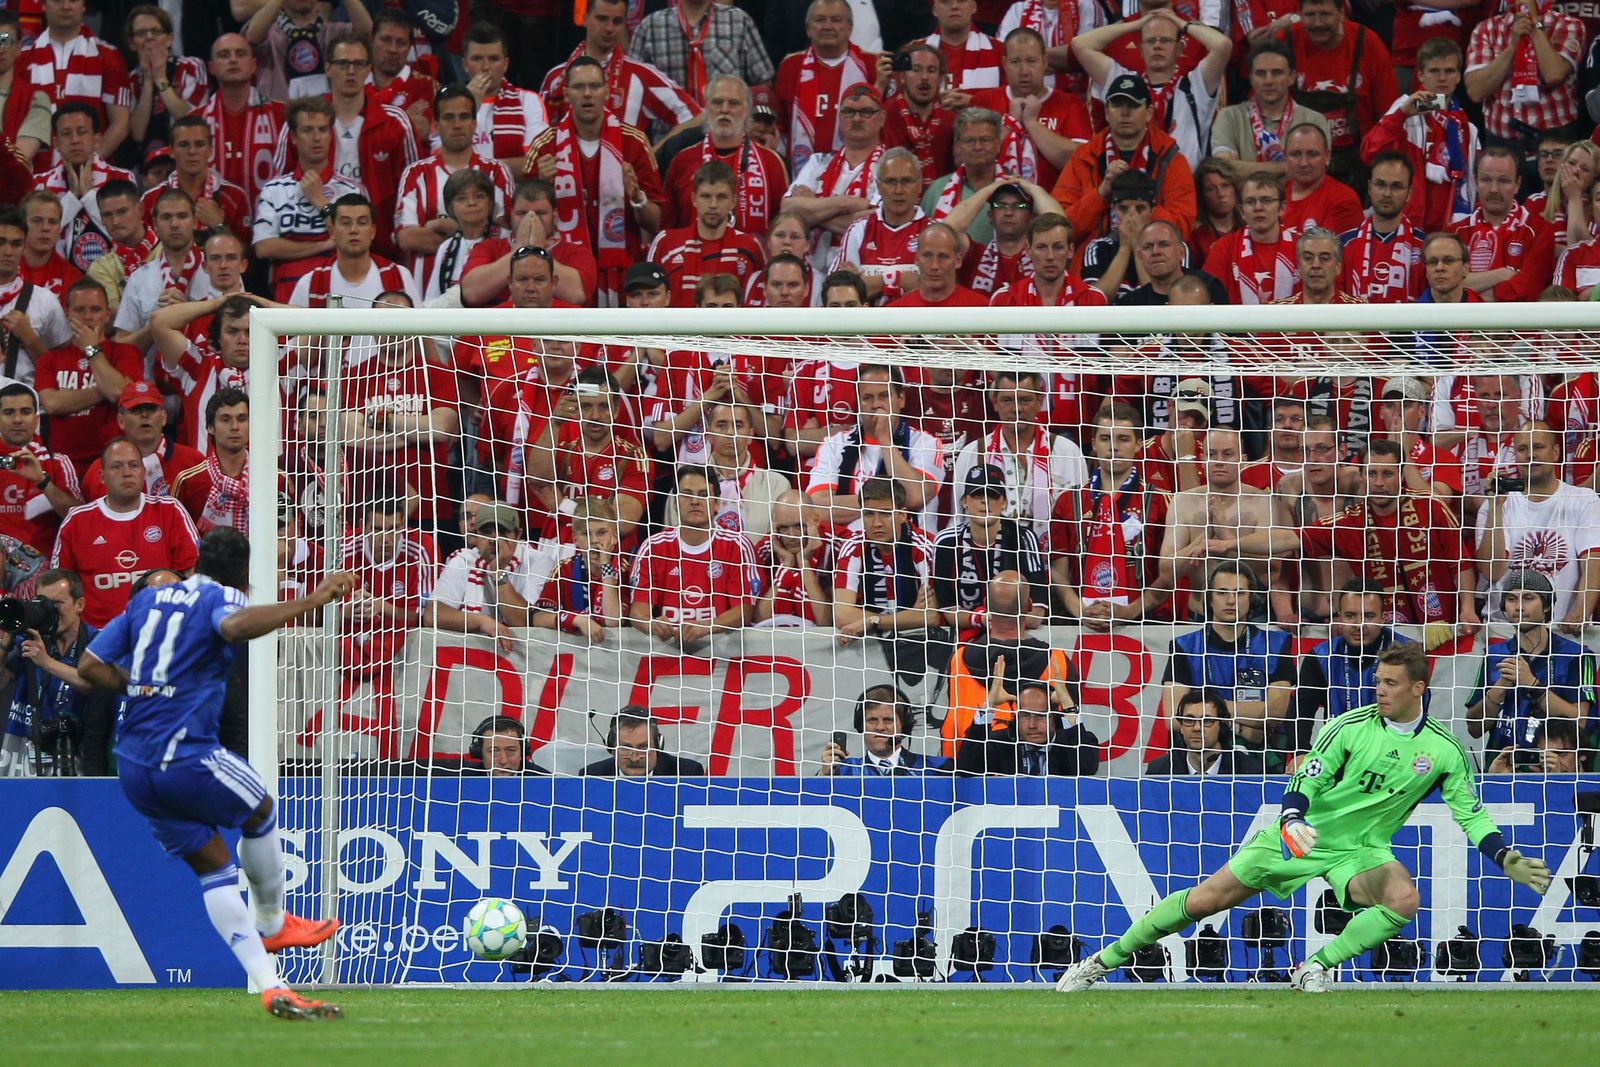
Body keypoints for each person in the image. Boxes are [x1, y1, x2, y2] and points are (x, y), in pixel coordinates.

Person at [1057, 642, 1553, 995]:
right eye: (1377, 680)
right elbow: (1308, 780)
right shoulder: (1348, 726)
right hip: (1301, 834)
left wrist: (1504, 855)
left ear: (1419, 688)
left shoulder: (1444, 751)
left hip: (1361, 851)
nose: (1378, 690)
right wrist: (1292, 817)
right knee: (1205, 900)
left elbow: (1471, 815)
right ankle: (1102, 961)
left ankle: (1313, 967)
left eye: (1390, 683)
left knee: (1403, 897)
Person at [78, 526, 353, 1019]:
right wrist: (312, 599)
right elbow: (233, 626)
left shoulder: (149, 600)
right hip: (185, 753)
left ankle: (273, 988)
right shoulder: (222, 595)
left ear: (196, 560)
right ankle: (272, 923)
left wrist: (144, 689)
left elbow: (90, 664)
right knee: (262, 809)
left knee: (215, 868)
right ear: (244, 573)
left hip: (135, 766)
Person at [525, 56, 666, 306]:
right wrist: (541, 186)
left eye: (594, 86)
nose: (587, 94)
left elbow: (657, 222)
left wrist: (636, 198)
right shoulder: (545, 147)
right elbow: (523, 226)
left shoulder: (633, 143)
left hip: (623, 277)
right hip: (565, 276)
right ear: (566, 94)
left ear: (607, 91)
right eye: (579, 87)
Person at [52, 436, 199, 627]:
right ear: (102, 476)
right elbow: (58, 586)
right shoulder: (77, 521)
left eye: (134, 466)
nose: (127, 473)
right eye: (117, 467)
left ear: (144, 472)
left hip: (161, 632)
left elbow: (194, 576)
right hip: (96, 638)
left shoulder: (170, 510)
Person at [1476, 422, 1600, 631]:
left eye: (1538, 447)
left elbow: (1593, 561)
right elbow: (1492, 571)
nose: (1530, 455)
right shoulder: (1493, 504)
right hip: (1503, 630)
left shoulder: (1584, 500)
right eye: (1522, 449)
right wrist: (1496, 509)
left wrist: (1582, 610)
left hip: (1561, 630)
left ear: (1555, 452)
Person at [1466, 567, 1595, 765]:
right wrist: (1500, 687)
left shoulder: (1577, 655)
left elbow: (1581, 722)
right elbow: (1474, 729)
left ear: (1546, 606)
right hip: (1504, 767)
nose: (1518, 606)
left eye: (1528, 598)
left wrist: (1532, 684)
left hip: (1556, 769)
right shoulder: (1494, 655)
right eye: (1511, 599)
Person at [1071, 8, 1231, 167]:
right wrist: (1135, 24)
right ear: (1140, 50)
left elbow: (1223, 45)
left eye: (1166, 40)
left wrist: (1181, 23)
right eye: (1150, 41)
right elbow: (1080, 44)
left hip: (1185, 187)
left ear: (1179, 49)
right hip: (1132, 187)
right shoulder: (1123, 82)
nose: (1157, 46)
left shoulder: (1195, 86)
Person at [1052, 73, 1196, 249]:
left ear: (1149, 112)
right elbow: (1060, 228)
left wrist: (1141, 201)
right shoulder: (1083, 157)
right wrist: (1101, 193)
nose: (1125, 112)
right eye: (1117, 105)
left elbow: (1182, 228)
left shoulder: (1171, 158)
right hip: (1094, 263)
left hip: (1154, 259)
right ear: (1106, 112)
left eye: (1133, 105)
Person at [627, 466, 760, 647]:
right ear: (675, 502)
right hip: (668, 654)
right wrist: (651, 624)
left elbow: (744, 612)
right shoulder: (653, 547)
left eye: (703, 494)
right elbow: (638, 610)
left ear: (716, 503)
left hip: (721, 657)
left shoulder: (737, 546)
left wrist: (706, 627)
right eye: (687, 494)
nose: (695, 501)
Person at [250, 96, 364, 303]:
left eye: (322, 130)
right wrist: (323, 245)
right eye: (308, 130)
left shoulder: (351, 189)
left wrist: (320, 202)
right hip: (287, 298)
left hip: (338, 293)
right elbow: (264, 248)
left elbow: (355, 241)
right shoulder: (274, 190)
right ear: (293, 137)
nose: (316, 137)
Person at [807, 364, 945, 533]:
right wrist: (888, 503)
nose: (876, 405)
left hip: (914, 553)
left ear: (901, 399)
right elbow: (817, 507)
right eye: (867, 398)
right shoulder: (834, 444)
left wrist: (885, 440)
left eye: (884, 396)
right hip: (850, 552)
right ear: (858, 402)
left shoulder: (926, 443)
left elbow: (915, 496)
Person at [1360, 37, 1478, 235]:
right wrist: (1401, 116)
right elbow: (1369, 153)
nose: (1442, 78)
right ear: (1420, 75)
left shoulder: (1466, 127)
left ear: (1458, 76)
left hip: (1448, 232)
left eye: (1449, 71)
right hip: (1407, 228)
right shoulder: (1404, 110)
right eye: (1434, 71)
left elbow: (1474, 183)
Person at [1282, 0, 1398, 188]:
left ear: (1342, 12)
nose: (1318, 23)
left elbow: (1389, 115)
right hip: (1298, 168)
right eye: (1310, 15)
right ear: (1299, 14)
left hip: (1358, 168)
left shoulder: (1368, 44)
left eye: (1325, 14)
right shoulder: (1285, 42)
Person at [1295, 580, 1417, 756]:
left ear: (1383, 618)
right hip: (1337, 755)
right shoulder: (1320, 657)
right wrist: (1300, 753)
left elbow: (1415, 716)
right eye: (1350, 616)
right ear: (1339, 617)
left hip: (1394, 756)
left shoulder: (1407, 655)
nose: (1359, 624)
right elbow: (1301, 712)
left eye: (1368, 616)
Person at [32, 277, 141, 474]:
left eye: (95, 309)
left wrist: (91, 349)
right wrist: (104, 389)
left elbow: (119, 394)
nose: (88, 316)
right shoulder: (49, 359)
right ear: (67, 314)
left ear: (108, 314)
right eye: (80, 310)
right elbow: (52, 404)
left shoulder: (126, 353)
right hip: (63, 464)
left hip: (111, 463)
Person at [542, 0, 696, 134]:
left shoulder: (641, 75)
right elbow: (539, 134)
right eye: (602, 19)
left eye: (617, 21)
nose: (609, 28)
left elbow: (695, 116)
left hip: (624, 166)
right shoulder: (556, 78)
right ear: (584, 18)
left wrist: (653, 155)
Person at [966, 27, 1091, 191]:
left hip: (1053, 207)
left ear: (1045, 62)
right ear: (1004, 64)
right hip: (993, 205)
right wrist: (1011, 122)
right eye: (1015, 62)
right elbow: (969, 160)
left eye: (1031, 61)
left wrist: (1032, 123)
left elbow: (1081, 163)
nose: (1024, 71)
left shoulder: (1070, 104)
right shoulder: (983, 102)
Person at [932, 464, 1050, 636]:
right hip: (965, 639)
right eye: (977, 494)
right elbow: (949, 611)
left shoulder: (1025, 539)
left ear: (1004, 503)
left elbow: (1037, 613)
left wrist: (995, 621)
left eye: (992, 495)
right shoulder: (946, 543)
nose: (985, 501)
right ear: (964, 501)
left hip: (1016, 638)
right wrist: (979, 619)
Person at [660, 75, 787, 234]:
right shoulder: (682, 161)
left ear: (746, 110)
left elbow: (781, 226)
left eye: (733, 103)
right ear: (706, 108)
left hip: (751, 256)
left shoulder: (771, 163)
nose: (724, 109)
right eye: (717, 102)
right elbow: (667, 228)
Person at [780, 82, 887, 270]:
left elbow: (875, 224)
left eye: (866, 112)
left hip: (858, 272)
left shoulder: (891, 167)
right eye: (848, 112)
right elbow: (788, 210)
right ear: (839, 117)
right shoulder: (818, 161)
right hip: (810, 271)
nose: (856, 118)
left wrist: (813, 210)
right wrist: (850, 203)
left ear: (882, 118)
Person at [425, 500, 548, 653]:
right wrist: (482, 622)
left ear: (518, 535)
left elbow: (523, 622)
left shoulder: (538, 562)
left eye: (502, 533)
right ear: (476, 534)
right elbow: (432, 615)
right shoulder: (464, 560)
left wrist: (499, 573)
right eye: (486, 532)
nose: (493, 540)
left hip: (526, 656)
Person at [18, 0, 132, 160]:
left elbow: (120, 125)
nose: (66, 6)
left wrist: (89, 165)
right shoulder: (21, 59)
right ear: (42, 5)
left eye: (73, 0)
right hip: (36, 176)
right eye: (57, 0)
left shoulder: (109, 56)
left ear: (84, 5)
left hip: (94, 178)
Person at [646, 161, 767, 306]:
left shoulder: (749, 248)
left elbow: (757, 303)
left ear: (734, 201)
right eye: (706, 196)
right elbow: (650, 300)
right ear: (693, 198)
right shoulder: (666, 243)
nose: (713, 205)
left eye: (721, 197)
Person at [1464, 0, 1584, 145]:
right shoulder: (1486, 29)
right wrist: (1512, 47)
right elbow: (1476, 92)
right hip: (1502, 142)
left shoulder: (1569, 25)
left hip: (1554, 138)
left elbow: (1553, 74)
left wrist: (1534, 24)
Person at [1211, 40, 1329, 182]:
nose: (1268, 81)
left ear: (1292, 77)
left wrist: (1242, 168)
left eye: (1277, 73)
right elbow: (1223, 170)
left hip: (1298, 202)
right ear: (1251, 79)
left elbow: (1313, 173)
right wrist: (1285, 167)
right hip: (1245, 203)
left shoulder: (1314, 120)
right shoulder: (1229, 116)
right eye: (1261, 74)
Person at [1450, 146, 1556, 303]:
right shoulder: (1455, 233)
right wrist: (1503, 274)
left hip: (1518, 325)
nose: (1494, 189)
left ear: (1517, 184)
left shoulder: (1540, 230)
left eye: (1503, 181)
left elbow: (1527, 289)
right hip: (1464, 326)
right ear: (1475, 182)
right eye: (1486, 180)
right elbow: (1445, 285)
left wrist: (1465, 291)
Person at [196, 34, 286, 212]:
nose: (233, 60)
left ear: (253, 66)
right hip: (212, 226)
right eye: (224, 55)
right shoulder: (196, 121)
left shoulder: (282, 115)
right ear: (211, 68)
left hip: (271, 222)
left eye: (240, 54)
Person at [628, 0, 774, 107]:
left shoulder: (739, 21)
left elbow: (763, 84)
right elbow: (632, 92)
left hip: (728, 138)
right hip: (669, 140)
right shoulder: (650, 27)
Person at [829, 147, 929, 302]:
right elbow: (837, 292)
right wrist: (903, 280)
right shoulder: (858, 231)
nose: (898, 190)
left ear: (919, 185)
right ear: (878, 187)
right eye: (890, 181)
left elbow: (936, 288)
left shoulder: (933, 232)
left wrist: (871, 283)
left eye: (906, 181)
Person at [137, 116, 251, 244]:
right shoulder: (150, 199)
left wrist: (218, 224)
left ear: (210, 150)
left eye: (199, 144)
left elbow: (247, 256)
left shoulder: (234, 196)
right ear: (171, 151)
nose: (192, 151)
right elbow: (142, 251)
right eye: (184, 145)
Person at [955, 675, 1100, 775]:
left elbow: (1086, 769)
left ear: (1053, 717)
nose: (1032, 725)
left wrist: (1069, 706)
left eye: (1041, 716)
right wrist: (989, 706)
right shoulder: (999, 743)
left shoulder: (1077, 743)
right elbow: (966, 769)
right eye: (1025, 715)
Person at [460, 22, 550, 180]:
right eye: (477, 59)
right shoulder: (448, 104)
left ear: (506, 64)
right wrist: (468, 106)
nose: (486, 67)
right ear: (465, 65)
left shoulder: (529, 101)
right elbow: (442, 162)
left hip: (515, 198)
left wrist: (475, 169)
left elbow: (537, 162)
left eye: (494, 59)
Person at [1338, 153, 1427, 304]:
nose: (1387, 193)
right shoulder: (1343, 245)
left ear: (1409, 193)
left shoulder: (1424, 246)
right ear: (1369, 188)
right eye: (1380, 184)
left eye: (1396, 186)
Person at [243, 0, 372, 101]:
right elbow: (252, 36)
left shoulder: (335, 32)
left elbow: (366, 32)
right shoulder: (269, 32)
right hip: (278, 115)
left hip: (326, 118)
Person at [1204, 171, 1297, 304]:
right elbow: (1209, 300)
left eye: (1266, 200)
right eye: (1250, 202)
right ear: (1241, 211)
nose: (1258, 207)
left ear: (1282, 208)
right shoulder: (1224, 247)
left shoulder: (1302, 247)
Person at [818, 684, 947, 775]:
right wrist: (823, 776)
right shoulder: (841, 771)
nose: (880, 727)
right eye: (872, 720)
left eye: (888, 720)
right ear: (861, 726)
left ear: (904, 725)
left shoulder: (936, 768)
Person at [1145, 688, 1266, 775]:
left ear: (1222, 725)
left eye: (1207, 720)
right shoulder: (1160, 771)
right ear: (1181, 727)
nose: (1197, 728)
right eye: (1189, 720)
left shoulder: (1250, 771)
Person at [1279, 123, 1363, 236]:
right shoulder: (1275, 195)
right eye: (1295, 154)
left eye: (1312, 154)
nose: (1303, 163)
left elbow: (1332, 252)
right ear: (1285, 157)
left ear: (1327, 156)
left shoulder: (1344, 199)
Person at [583, 706, 706, 776]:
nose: (635, 758)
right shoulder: (592, 776)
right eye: (626, 748)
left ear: (658, 745)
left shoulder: (686, 772)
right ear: (611, 748)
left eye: (643, 748)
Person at [925, 0, 1004, 91]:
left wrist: (970, 100)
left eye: (962, 0)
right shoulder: (914, 53)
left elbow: (1010, 97)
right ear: (934, 10)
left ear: (974, 7)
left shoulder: (1000, 51)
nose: (954, 6)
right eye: (945, 1)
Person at [465, 715, 529, 776]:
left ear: (522, 752)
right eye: (494, 751)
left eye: (511, 750)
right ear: (480, 753)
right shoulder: (463, 779)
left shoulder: (538, 777)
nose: (503, 761)